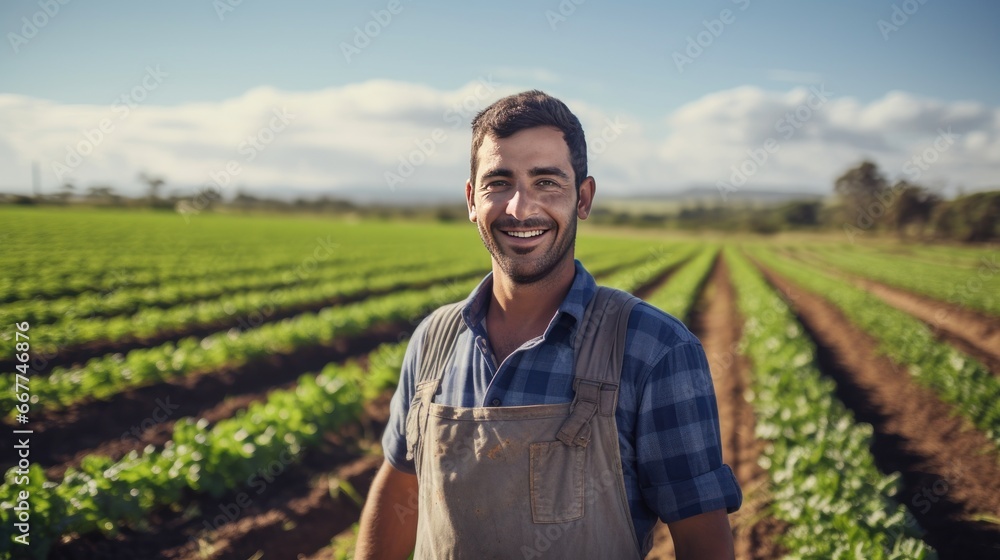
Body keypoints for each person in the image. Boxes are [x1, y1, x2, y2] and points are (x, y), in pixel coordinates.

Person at [356, 90, 741, 559]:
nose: (520, 208)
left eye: (546, 182)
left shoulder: (654, 349)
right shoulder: (433, 340)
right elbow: (400, 490)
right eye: (499, 182)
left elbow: (704, 540)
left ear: (583, 198)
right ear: (472, 199)